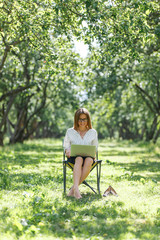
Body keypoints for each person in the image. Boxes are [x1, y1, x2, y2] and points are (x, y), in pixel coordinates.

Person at [63, 108, 98, 199]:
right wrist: (68, 150)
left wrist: (93, 152)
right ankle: (77, 191)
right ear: (76, 120)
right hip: (74, 157)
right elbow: (66, 145)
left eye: (84, 119)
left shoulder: (93, 132)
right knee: (79, 159)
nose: (82, 122)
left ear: (88, 120)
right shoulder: (70, 131)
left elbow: (95, 147)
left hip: (88, 157)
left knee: (89, 160)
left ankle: (73, 189)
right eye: (80, 119)